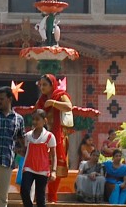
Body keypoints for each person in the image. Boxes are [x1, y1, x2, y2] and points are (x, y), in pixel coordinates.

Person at [32, 73, 74, 203]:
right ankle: (42, 197)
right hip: (43, 137)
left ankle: (52, 197)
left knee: (57, 166)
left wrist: (54, 103)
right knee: (43, 166)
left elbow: (69, 107)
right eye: (41, 85)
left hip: (58, 136)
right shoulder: (41, 100)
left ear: (52, 85)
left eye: (45, 84)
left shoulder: (60, 95)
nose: (42, 87)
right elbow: (35, 113)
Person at [19, 109, 57, 207]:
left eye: (37, 119)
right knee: (24, 191)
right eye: (33, 119)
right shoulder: (28, 136)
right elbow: (25, 151)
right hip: (29, 168)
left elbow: (53, 155)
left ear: (44, 121)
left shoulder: (49, 136)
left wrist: (53, 171)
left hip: (43, 170)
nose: (35, 122)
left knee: (40, 198)